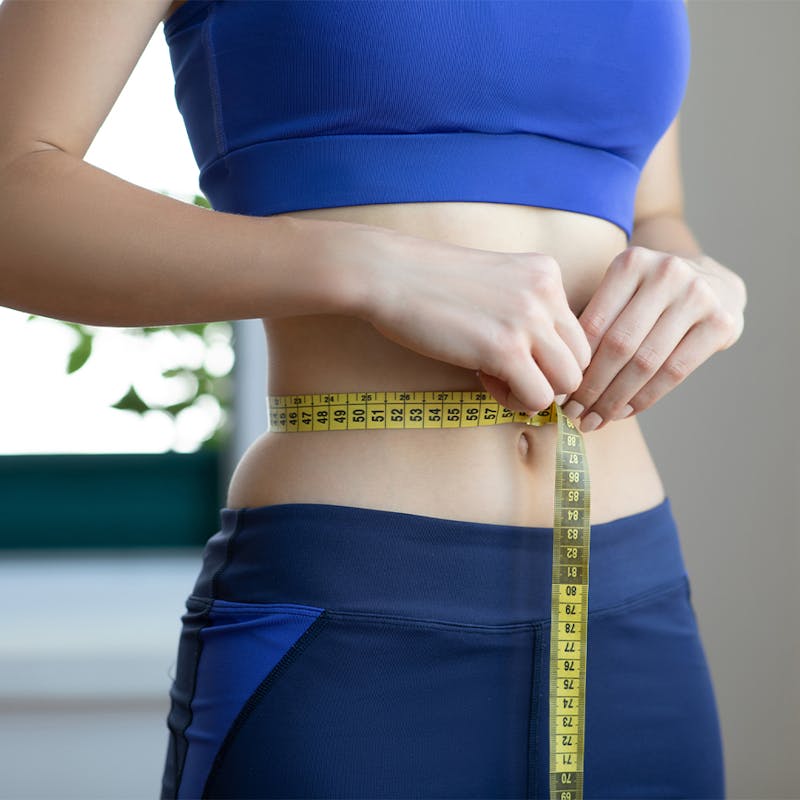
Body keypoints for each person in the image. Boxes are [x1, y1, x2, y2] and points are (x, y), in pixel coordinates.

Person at [0, 0, 746, 798]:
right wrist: (372, 270)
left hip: (632, 596)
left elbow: (650, 211)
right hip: (349, 599)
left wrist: (705, 281)